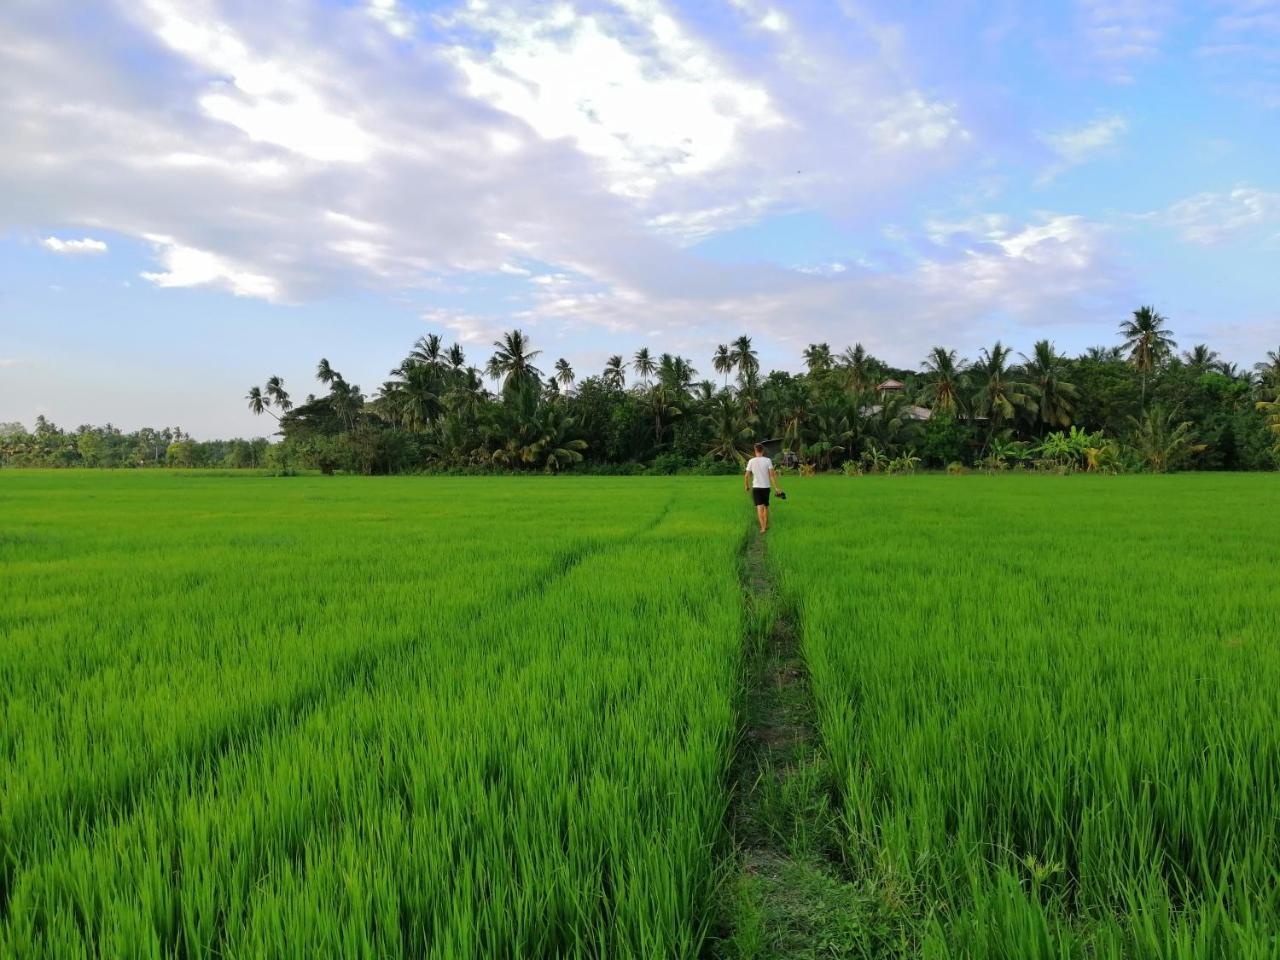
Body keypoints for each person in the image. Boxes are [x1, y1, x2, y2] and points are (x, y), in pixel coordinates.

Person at [743, 443, 784, 534]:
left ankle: (763, 528)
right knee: (766, 506)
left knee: (759, 508)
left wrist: (746, 486)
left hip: (756, 488)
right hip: (766, 488)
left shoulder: (751, 461)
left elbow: (746, 476)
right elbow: (772, 476)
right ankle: (765, 524)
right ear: (763, 451)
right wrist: (777, 488)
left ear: (755, 451)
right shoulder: (768, 460)